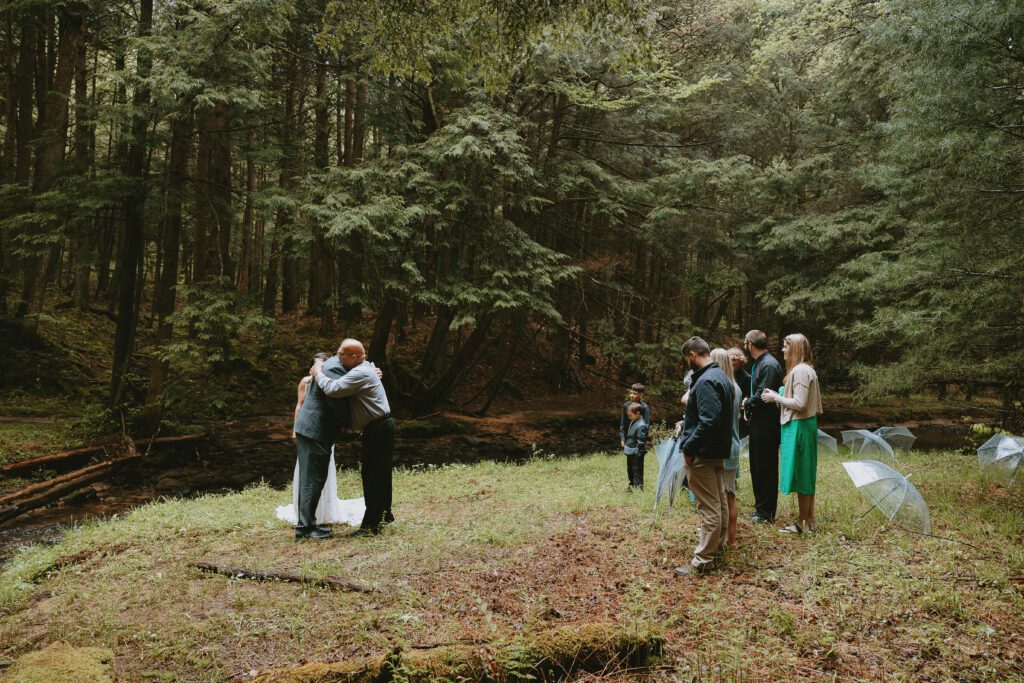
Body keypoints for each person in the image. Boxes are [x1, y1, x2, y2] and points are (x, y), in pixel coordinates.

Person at [312, 339, 395, 536]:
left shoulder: (360, 371)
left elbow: (334, 389)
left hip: (378, 427)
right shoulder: (365, 367)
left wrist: (318, 374)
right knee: (380, 473)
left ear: (355, 357)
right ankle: (385, 514)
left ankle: (371, 526)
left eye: (341, 355)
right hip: (380, 425)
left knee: (373, 475)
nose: (337, 358)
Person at [277, 353, 365, 529]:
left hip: (323, 432)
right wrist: (295, 430)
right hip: (311, 430)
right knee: (310, 474)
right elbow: (300, 405)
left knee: (322, 473)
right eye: (318, 365)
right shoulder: (306, 382)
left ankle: (324, 511)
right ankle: (308, 519)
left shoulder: (330, 380)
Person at [674, 336, 733, 576]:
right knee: (718, 502)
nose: (687, 363)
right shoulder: (721, 376)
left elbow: (709, 420)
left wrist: (688, 447)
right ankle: (715, 550)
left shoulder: (707, 380)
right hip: (716, 451)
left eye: (686, 359)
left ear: (692, 356)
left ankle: (703, 560)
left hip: (703, 454)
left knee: (708, 507)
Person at [291, 351, 356, 540]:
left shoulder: (328, 368)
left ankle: (308, 523)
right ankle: (305, 528)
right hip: (314, 430)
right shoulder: (332, 370)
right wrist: (350, 423)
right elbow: (336, 403)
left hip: (309, 429)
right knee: (312, 479)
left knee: (311, 478)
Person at [761, 333, 823, 534]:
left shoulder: (801, 371)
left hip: (800, 427)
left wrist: (775, 397)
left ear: (795, 349)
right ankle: (809, 520)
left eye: (786, 347)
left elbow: (800, 403)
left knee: (803, 473)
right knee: (805, 472)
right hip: (802, 426)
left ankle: (803, 523)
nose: (782, 350)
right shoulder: (803, 370)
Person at [743, 330, 784, 524]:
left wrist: (747, 404)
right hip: (758, 422)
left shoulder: (769, 364)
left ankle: (766, 513)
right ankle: (760, 509)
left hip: (767, 424)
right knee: (757, 465)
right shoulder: (760, 363)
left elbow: (763, 393)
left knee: (765, 466)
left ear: (750, 344)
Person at [710, 348, 741, 547]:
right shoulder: (736, 387)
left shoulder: (722, 388)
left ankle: (725, 539)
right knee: (729, 494)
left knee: (723, 496)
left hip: (724, 447)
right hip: (734, 444)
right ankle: (731, 537)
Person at [622, 402, 649, 490]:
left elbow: (641, 441)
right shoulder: (634, 420)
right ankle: (632, 484)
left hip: (636, 452)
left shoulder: (641, 425)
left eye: (630, 416)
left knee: (637, 470)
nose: (629, 418)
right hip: (630, 450)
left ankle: (638, 487)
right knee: (630, 469)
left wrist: (638, 452)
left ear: (638, 413)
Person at [619, 383, 650, 450]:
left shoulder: (644, 407)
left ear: (641, 394)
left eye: (635, 393)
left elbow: (646, 425)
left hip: (639, 440)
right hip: (628, 441)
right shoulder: (626, 406)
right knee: (629, 459)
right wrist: (622, 439)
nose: (632, 395)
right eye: (631, 393)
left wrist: (642, 442)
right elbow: (622, 424)